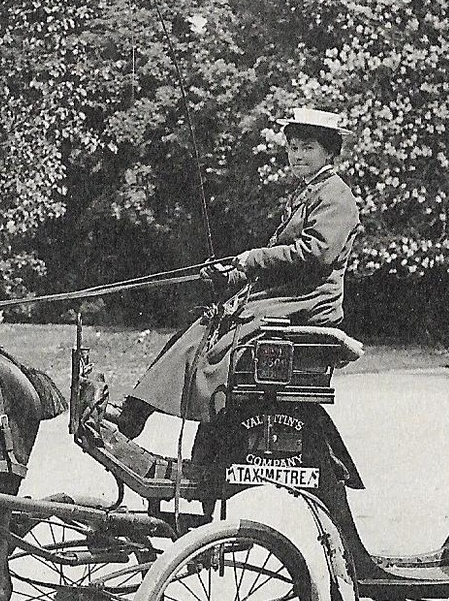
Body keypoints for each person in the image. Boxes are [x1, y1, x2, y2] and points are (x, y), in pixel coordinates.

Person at [108, 107, 361, 437]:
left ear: (330, 151)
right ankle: (136, 411)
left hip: (307, 302)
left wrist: (253, 259)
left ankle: (134, 416)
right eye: (293, 148)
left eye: (308, 148)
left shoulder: (335, 195)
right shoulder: (309, 191)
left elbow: (316, 253)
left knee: (208, 340)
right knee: (198, 330)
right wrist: (232, 274)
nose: (298, 156)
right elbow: (280, 265)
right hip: (285, 296)